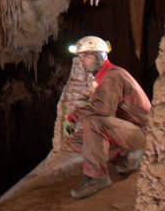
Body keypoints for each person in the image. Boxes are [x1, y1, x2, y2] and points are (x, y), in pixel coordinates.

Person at [61, 36, 152, 199]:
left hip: (145, 133)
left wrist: (75, 116)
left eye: (86, 56)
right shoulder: (103, 78)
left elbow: (104, 110)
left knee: (93, 123)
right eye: (80, 57)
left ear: (100, 56)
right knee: (76, 141)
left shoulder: (113, 75)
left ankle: (97, 178)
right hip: (130, 130)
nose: (81, 61)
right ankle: (129, 154)